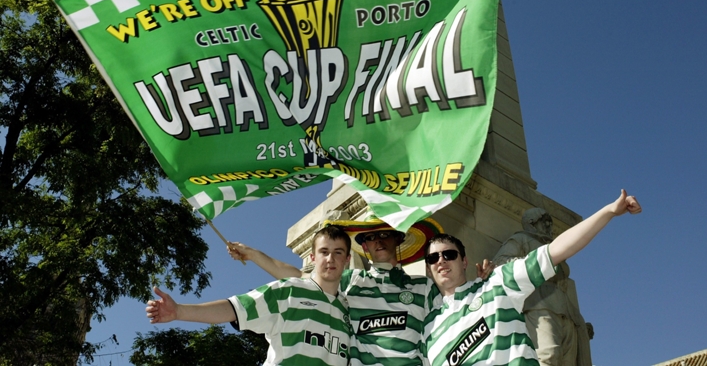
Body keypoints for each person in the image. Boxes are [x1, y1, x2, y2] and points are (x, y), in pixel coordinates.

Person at [229, 215, 492, 366]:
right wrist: (253, 254)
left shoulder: (423, 287)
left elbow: (455, 309)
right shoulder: (350, 280)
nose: (378, 240)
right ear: (364, 247)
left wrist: (481, 285)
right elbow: (299, 277)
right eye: (370, 237)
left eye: (385, 234)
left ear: (398, 239)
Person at [422, 189, 641, 366]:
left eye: (448, 254)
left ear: (464, 261)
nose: (440, 261)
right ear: (429, 267)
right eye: (433, 258)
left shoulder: (497, 285)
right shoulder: (428, 331)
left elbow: (556, 251)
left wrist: (609, 211)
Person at [145, 226, 353, 366]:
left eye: (338, 252)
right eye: (324, 251)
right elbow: (234, 308)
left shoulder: (349, 310)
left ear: (347, 259)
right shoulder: (288, 291)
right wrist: (180, 310)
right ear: (313, 257)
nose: (330, 259)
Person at [492, 207, 592, 366]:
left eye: (550, 223)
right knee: (548, 356)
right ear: (532, 224)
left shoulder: (552, 246)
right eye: (545, 222)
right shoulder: (521, 239)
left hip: (565, 309)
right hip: (538, 303)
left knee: (568, 362)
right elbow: (500, 263)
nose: (549, 227)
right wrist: (530, 266)